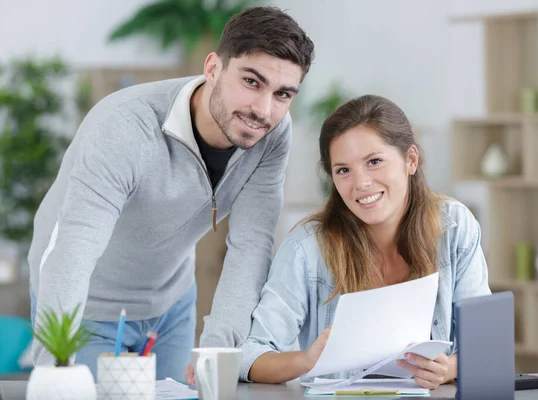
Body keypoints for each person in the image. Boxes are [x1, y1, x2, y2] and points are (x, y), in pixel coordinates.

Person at [28, 6, 314, 381]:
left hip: (170, 305)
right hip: (87, 308)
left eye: (283, 94)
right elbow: (74, 246)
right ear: (213, 68)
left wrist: (218, 350)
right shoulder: (125, 126)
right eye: (251, 82)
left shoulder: (273, 133)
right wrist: (55, 365)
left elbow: (251, 245)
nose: (263, 109)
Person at [233, 94, 491, 389]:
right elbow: (249, 356)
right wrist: (309, 360)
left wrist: (447, 369)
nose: (361, 184)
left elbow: (483, 345)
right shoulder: (306, 248)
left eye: (374, 162)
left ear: (411, 159)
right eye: (343, 170)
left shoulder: (455, 227)